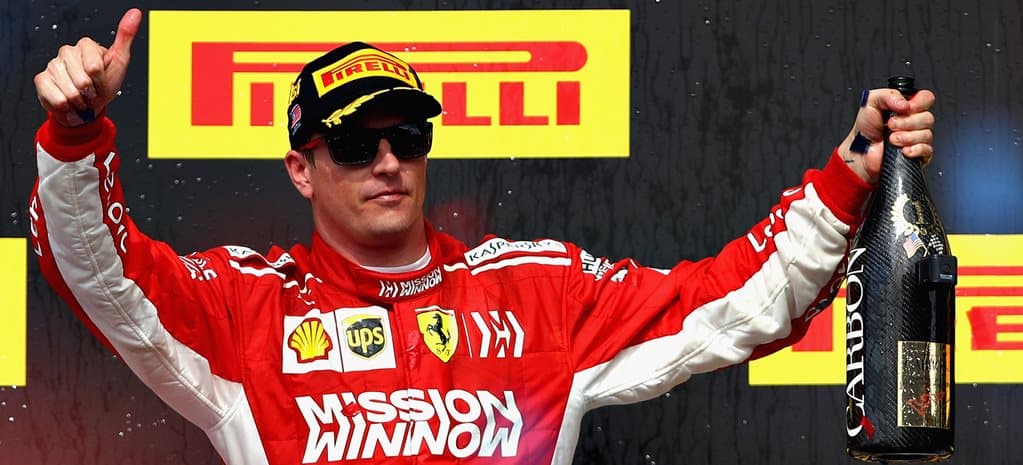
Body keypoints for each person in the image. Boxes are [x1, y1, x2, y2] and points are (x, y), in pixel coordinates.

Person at [29, 8, 935, 465]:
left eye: (406, 136)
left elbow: (735, 303)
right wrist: (75, 135)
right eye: (356, 145)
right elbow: (103, 275)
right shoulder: (245, 308)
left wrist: (852, 166)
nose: (388, 162)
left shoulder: (535, 292)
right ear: (302, 169)